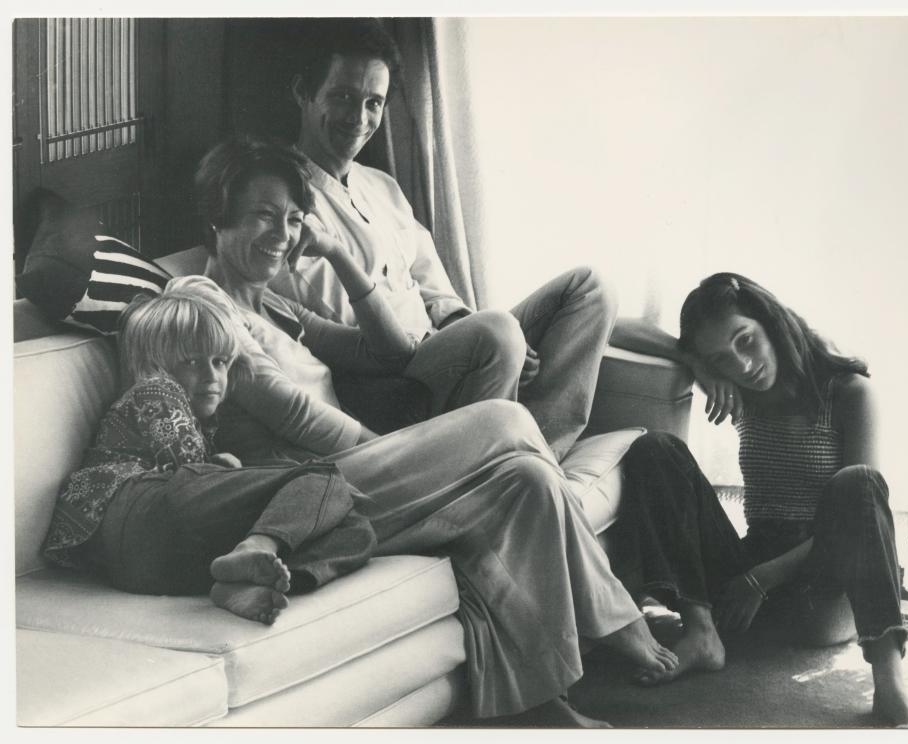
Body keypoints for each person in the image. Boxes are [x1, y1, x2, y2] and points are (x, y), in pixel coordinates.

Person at [194, 135, 678, 725]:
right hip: (299, 496)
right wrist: (410, 452)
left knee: (527, 475)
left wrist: (341, 257)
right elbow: (284, 409)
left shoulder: (274, 305)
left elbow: (387, 354)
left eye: (294, 219)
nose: (282, 234)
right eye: (263, 216)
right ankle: (617, 618)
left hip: (345, 483)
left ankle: (538, 704)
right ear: (218, 218)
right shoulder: (203, 301)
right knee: (504, 421)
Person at [268, 18, 615, 460]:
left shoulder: (382, 187)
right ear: (303, 92)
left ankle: (541, 451)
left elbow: (434, 285)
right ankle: (504, 461)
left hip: (441, 350)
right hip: (389, 371)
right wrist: (489, 338)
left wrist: (464, 329)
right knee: (497, 330)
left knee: (588, 289)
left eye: (374, 103)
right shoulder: (284, 197)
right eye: (343, 97)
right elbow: (331, 315)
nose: (359, 119)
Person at [610, 272, 908, 727]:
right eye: (722, 358)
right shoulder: (739, 388)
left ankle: (890, 684)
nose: (741, 365)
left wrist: (761, 579)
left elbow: (863, 519)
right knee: (655, 449)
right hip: (748, 588)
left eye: (746, 341)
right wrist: (694, 362)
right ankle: (702, 634)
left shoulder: (848, 392)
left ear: (772, 323)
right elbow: (612, 326)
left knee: (858, 481)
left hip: (823, 592)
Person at [42, 281, 377, 626]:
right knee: (325, 477)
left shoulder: (204, 423)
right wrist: (229, 468)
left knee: (356, 529)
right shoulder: (157, 391)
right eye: (191, 361)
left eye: (220, 362)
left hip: (147, 568)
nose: (212, 376)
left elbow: (203, 490)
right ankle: (258, 546)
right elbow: (189, 475)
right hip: (134, 509)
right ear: (153, 362)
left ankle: (240, 580)